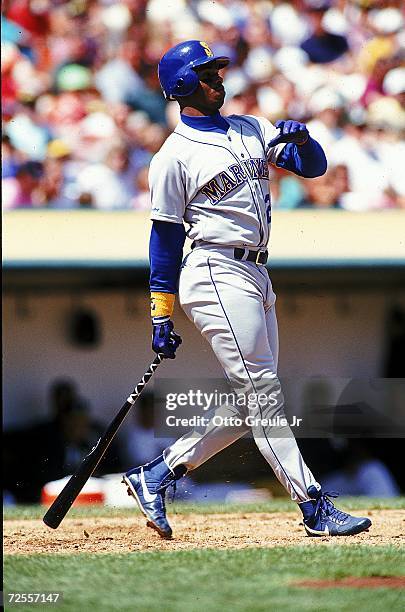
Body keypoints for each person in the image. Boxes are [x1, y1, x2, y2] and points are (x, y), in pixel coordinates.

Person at [122, 40, 372, 539]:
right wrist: (159, 312)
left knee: (250, 401)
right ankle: (314, 506)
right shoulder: (173, 157)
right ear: (183, 86)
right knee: (265, 395)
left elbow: (313, 168)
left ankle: (156, 474)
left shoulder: (250, 126)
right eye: (207, 73)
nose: (219, 79)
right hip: (214, 270)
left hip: (257, 273)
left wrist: (302, 142)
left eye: (217, 71)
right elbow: (165, 240)